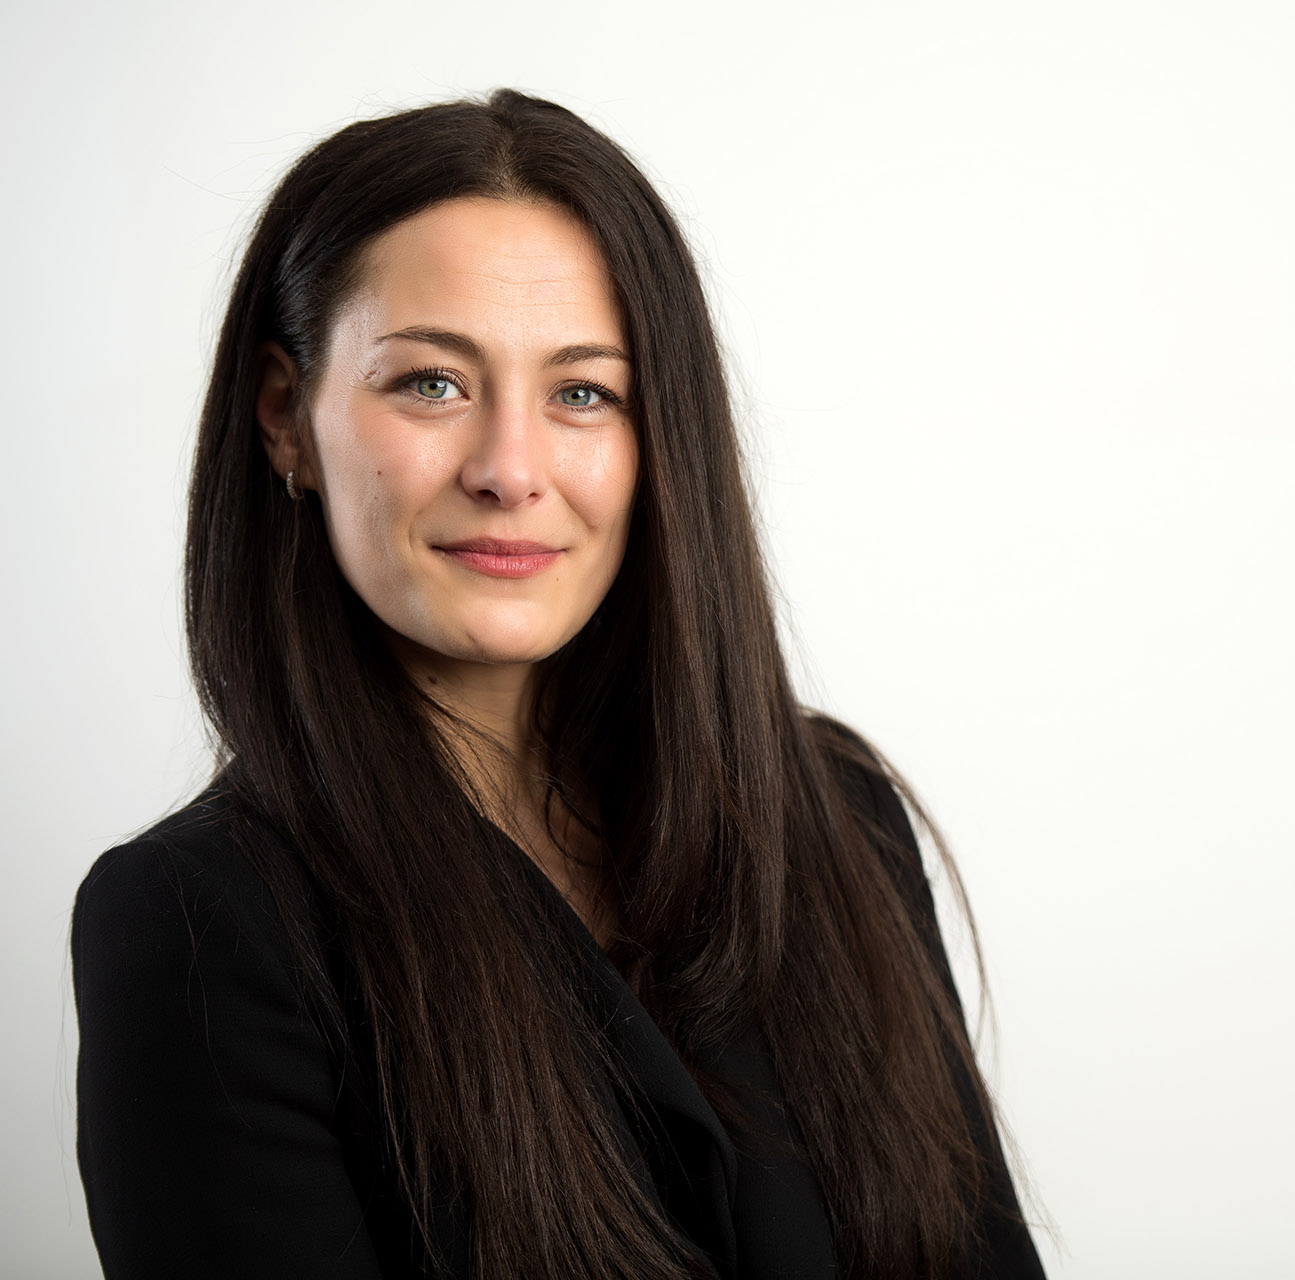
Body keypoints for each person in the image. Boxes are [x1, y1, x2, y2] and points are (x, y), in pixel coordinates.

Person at [70, 89, 1044, 1280]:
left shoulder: (830, 813)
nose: (509, 469)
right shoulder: (199, 923)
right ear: (287, 417)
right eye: (430, 382)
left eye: (583, 391)